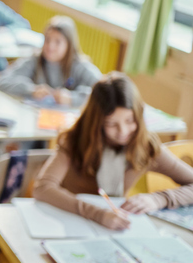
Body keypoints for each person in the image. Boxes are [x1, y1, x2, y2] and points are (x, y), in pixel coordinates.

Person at [33, 73, 193, 230]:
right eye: (111, 124)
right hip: (69, 222)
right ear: (97, 122)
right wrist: (98, 214)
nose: (123, 131)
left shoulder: (145, 146)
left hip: (114, 226)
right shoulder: (75, 141)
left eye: (130, 121)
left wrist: (159, 199)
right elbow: (43, 188)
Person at [0, 16, 102, 107]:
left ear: (69, 45)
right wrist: (31, 90)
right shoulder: (34, 60)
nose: (50, 46)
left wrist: (72, 98)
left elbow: (103, 92)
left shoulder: (80, 66)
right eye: (47, 40)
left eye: (57, 42)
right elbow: (1, 81)